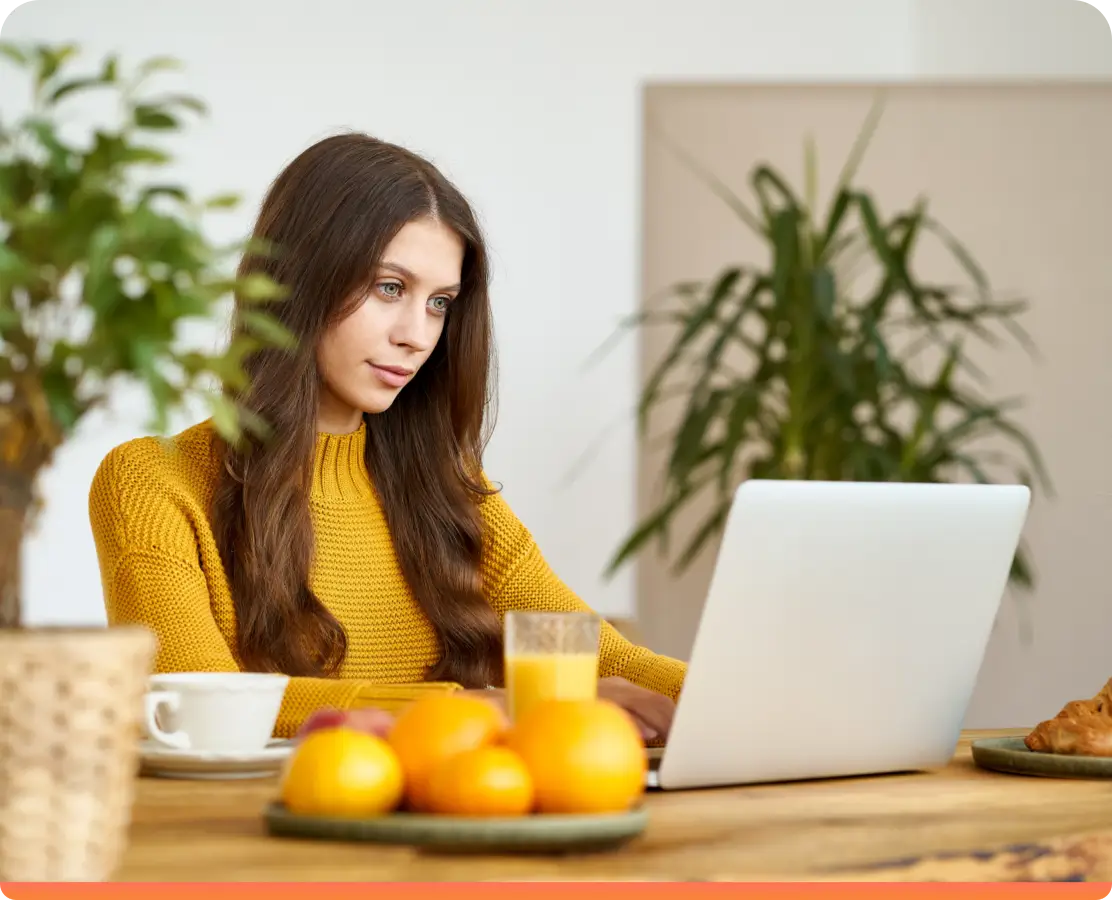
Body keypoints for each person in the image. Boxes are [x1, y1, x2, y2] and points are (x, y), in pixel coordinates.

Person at [88, 133, 686, 743]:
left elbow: (610, 660)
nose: (417, 335)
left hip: (459, 818)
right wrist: (493, 708)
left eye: (440, 303)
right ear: (298, 280)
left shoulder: (450, 492)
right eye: (390, 288)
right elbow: (194, 704)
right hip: (270, 830)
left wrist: (732, 699)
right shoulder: (153, 481)